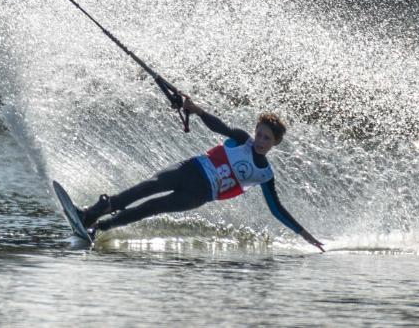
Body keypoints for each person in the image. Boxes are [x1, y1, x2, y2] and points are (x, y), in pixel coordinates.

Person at [77, 96, 325, 252]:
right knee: (148, 186)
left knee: (152, 207)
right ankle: (92, 212)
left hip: (199, 195)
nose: (260, 140)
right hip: (191, 169)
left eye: (266, 138)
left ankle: (99, 228)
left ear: (275, 143)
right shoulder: (242, 140)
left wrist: (305, 235)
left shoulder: (265, 175)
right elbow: (219, 126)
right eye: (259, 134)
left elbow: (277, 209)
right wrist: (196, 110)